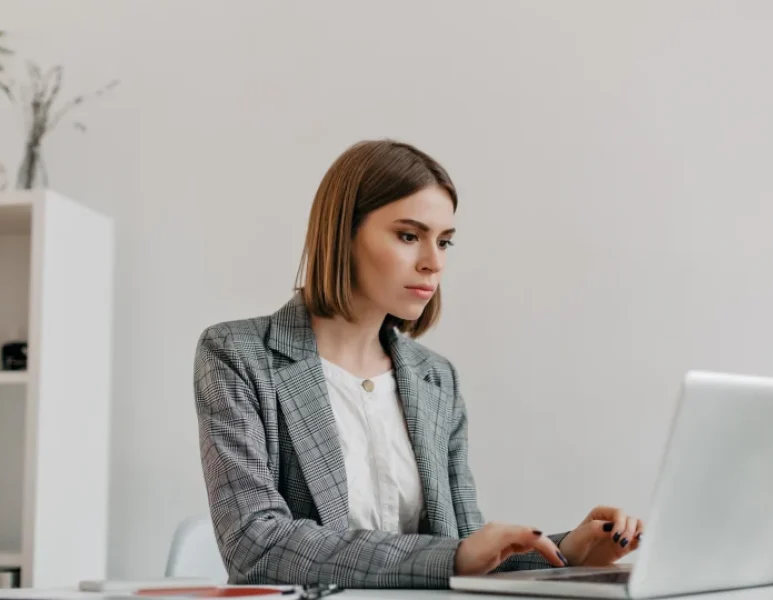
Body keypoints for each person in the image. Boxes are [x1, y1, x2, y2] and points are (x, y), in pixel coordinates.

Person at [193, 139, 643, 589]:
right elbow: (256, 544)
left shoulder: (435, 378)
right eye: (409, 236)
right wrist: (456, 555)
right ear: (342, 234)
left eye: (444, 242)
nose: (433, 262)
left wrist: (570, 552)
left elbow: (468, 547)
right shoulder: (237, 355)